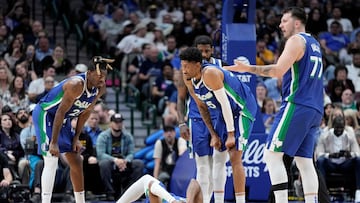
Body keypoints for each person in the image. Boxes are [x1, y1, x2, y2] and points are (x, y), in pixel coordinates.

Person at [225, 7, 323, 203]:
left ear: (297, 23)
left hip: (297, 103)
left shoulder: (296, 40)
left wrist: (248, 68)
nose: (280, 25)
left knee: (271, 155)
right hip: (315, 108)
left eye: (284, 20)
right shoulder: (315, 44)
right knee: (304, 161)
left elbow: (277, 71)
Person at [180, 47, 257, 203]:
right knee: (217, 154)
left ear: (197, 64)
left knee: (235, 155)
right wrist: (214, 134)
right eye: (182, 66)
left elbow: (226, 104)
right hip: (223, 112)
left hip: (242, 108)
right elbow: (202, 107)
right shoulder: (188, 78)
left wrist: (230, 134)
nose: (184, 70)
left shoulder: (210, 73)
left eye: (186, 66)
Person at [32, 56, 114, 203]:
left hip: (64, 118)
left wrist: (76, 138)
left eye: (105, 77)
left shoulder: (100, 88)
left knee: (76, 159)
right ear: (89, 73)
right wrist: (54, 142)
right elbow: (59, 112)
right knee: (51, 158)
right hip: (46, 114)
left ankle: (80, 201)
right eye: (99, 76)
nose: (102, 80)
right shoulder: (75, 84)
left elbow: (85, 113)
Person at [176, 35, 228, 203]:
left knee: (218, 164)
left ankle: (216, 200)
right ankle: (204, 201)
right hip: (197, 119)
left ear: (212, 50)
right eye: (201, 51)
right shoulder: (187, 69)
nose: (204, 54)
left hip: (218, 118)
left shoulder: (220, 66)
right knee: (203, 164)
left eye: (207, 50)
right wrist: (182, 122)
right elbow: (181, 98)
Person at [96, 113, 144, 200]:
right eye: (116, 122)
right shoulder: (103, 136)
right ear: (110, 123)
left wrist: (125, 161)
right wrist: (115, 160)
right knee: (104, 164)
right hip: (111, 161)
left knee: (139, 164)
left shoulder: (128, 136)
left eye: (120, 122)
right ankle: (110, 192)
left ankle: (128, 192)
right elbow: (100, 154)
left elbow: (131, 153)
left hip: (124, 161)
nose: (118, 124)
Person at [316, 116, 360, 202]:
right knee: (320, 161)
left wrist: (349, 154)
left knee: (358, 160)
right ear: (333, 126)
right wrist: (330, 155)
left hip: (345, 164)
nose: (339, 130)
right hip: (331, 164)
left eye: (341, 128)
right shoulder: (325, 136)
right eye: (337, 128)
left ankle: (358, 192)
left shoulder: (349, 135)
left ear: (344, 127)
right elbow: (319, 154)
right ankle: (322, 192)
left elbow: (357, 153)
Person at [116, 174, 202, 203]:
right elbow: (194, 183)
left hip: (155, 192)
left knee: (147, 179)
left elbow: (151, 186)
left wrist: (172, 201)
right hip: (165, 193)